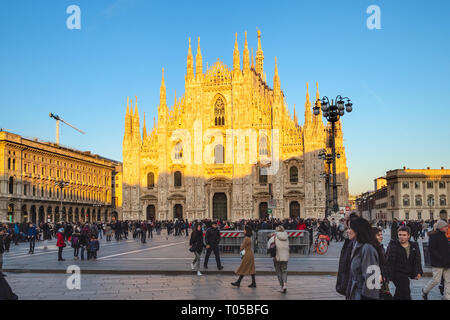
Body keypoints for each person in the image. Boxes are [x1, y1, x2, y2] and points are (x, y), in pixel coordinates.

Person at [346, 218, 383, 300]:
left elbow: (372, 278)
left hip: (363, 295)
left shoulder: (367, 248)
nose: (347, 231)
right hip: (356, 293)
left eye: (349, 228)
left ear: (357, 230)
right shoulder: (357, 245)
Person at [386, 226, 423, 300]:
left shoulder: (414, 245)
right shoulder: (393, 244)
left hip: (407, 272)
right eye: (400, 235)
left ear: (409, 235)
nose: (401, 237)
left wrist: (418, 272)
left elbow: (417, 260)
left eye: (404, 235)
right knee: (406, 293)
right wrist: (387, 274)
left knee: (399, 294)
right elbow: (388, 259)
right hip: (397, 273)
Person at [422, 220, 450, 300]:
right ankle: (425, 290)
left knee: (448, 281)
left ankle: (447, 297)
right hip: (438, 263)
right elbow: (432, 249)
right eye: (445, 226)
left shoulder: (444, 235)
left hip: (447, 262)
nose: (447, 227)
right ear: (440, 228)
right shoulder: (434, 236)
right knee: (436, 280)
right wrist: (441, 259)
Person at [336, 212, 359, 298]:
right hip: (351, 286)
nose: (347, 230)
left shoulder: (358, 244)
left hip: (356, 287)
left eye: (345, 220)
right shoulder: (350, 241)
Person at [267, 225, 289, 293]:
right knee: (284, 271)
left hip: (277, 256)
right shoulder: (286, 237)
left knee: (279, 272)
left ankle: (282, 286)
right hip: (285, 256)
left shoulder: (274, 237)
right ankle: (285, 285)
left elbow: (268, 246)